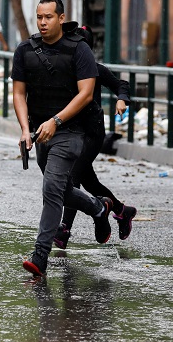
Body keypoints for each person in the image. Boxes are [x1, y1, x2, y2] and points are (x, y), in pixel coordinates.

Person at [12, 0, 113, 277]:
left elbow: (86, 94)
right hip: (41, 131)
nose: (43, 22)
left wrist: (56, 120)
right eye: (39, 17)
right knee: (61, 189)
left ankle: (40, 256)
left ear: (61, 18)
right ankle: (97, 208)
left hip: (71, 130)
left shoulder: (79, 50)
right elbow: (19, 93)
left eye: (48, 17)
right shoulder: (24, 49)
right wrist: (24, 128)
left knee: (51, 189)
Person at [53, 24, 137, 249]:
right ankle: (121, 211)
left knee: (71, 177)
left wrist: (121, 99)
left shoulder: (95, 69)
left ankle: (64, 229)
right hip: (71, 132)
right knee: (89, 181)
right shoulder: (64, 68)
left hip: (92, 133)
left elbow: (121, 84)